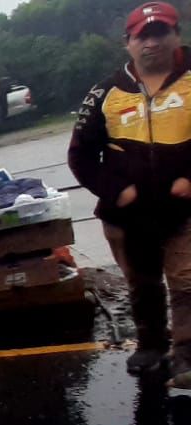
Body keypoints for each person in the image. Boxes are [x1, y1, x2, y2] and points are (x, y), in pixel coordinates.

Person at [69, 2, 191, 388]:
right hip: (128, 215)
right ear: (128, 43)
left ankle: (187, 355)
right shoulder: (105, 91)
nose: (151, 43)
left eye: (160, 34)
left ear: (177, 36)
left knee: (187, 280)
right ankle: (152, 344)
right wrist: (115, 190)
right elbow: (80, 154)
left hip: (183, 209)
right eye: (142, 36)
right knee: (142, 282)